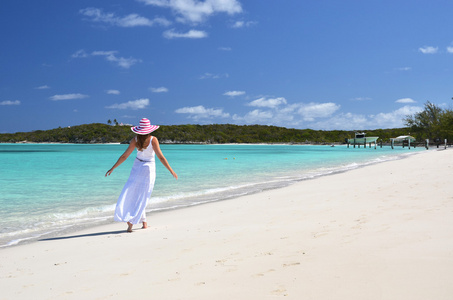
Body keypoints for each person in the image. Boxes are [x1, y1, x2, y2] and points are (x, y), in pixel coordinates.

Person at [105, 118, 177, 232]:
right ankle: (135, 221)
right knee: (143, 196)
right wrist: (171, 170)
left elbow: (125, 156)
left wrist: (113, 168)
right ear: (149, 129)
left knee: (133, 193)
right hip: (148, 169)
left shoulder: (135, 139)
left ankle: (143, 222)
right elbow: (161, 157)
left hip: (137, 167)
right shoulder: (153, 139)